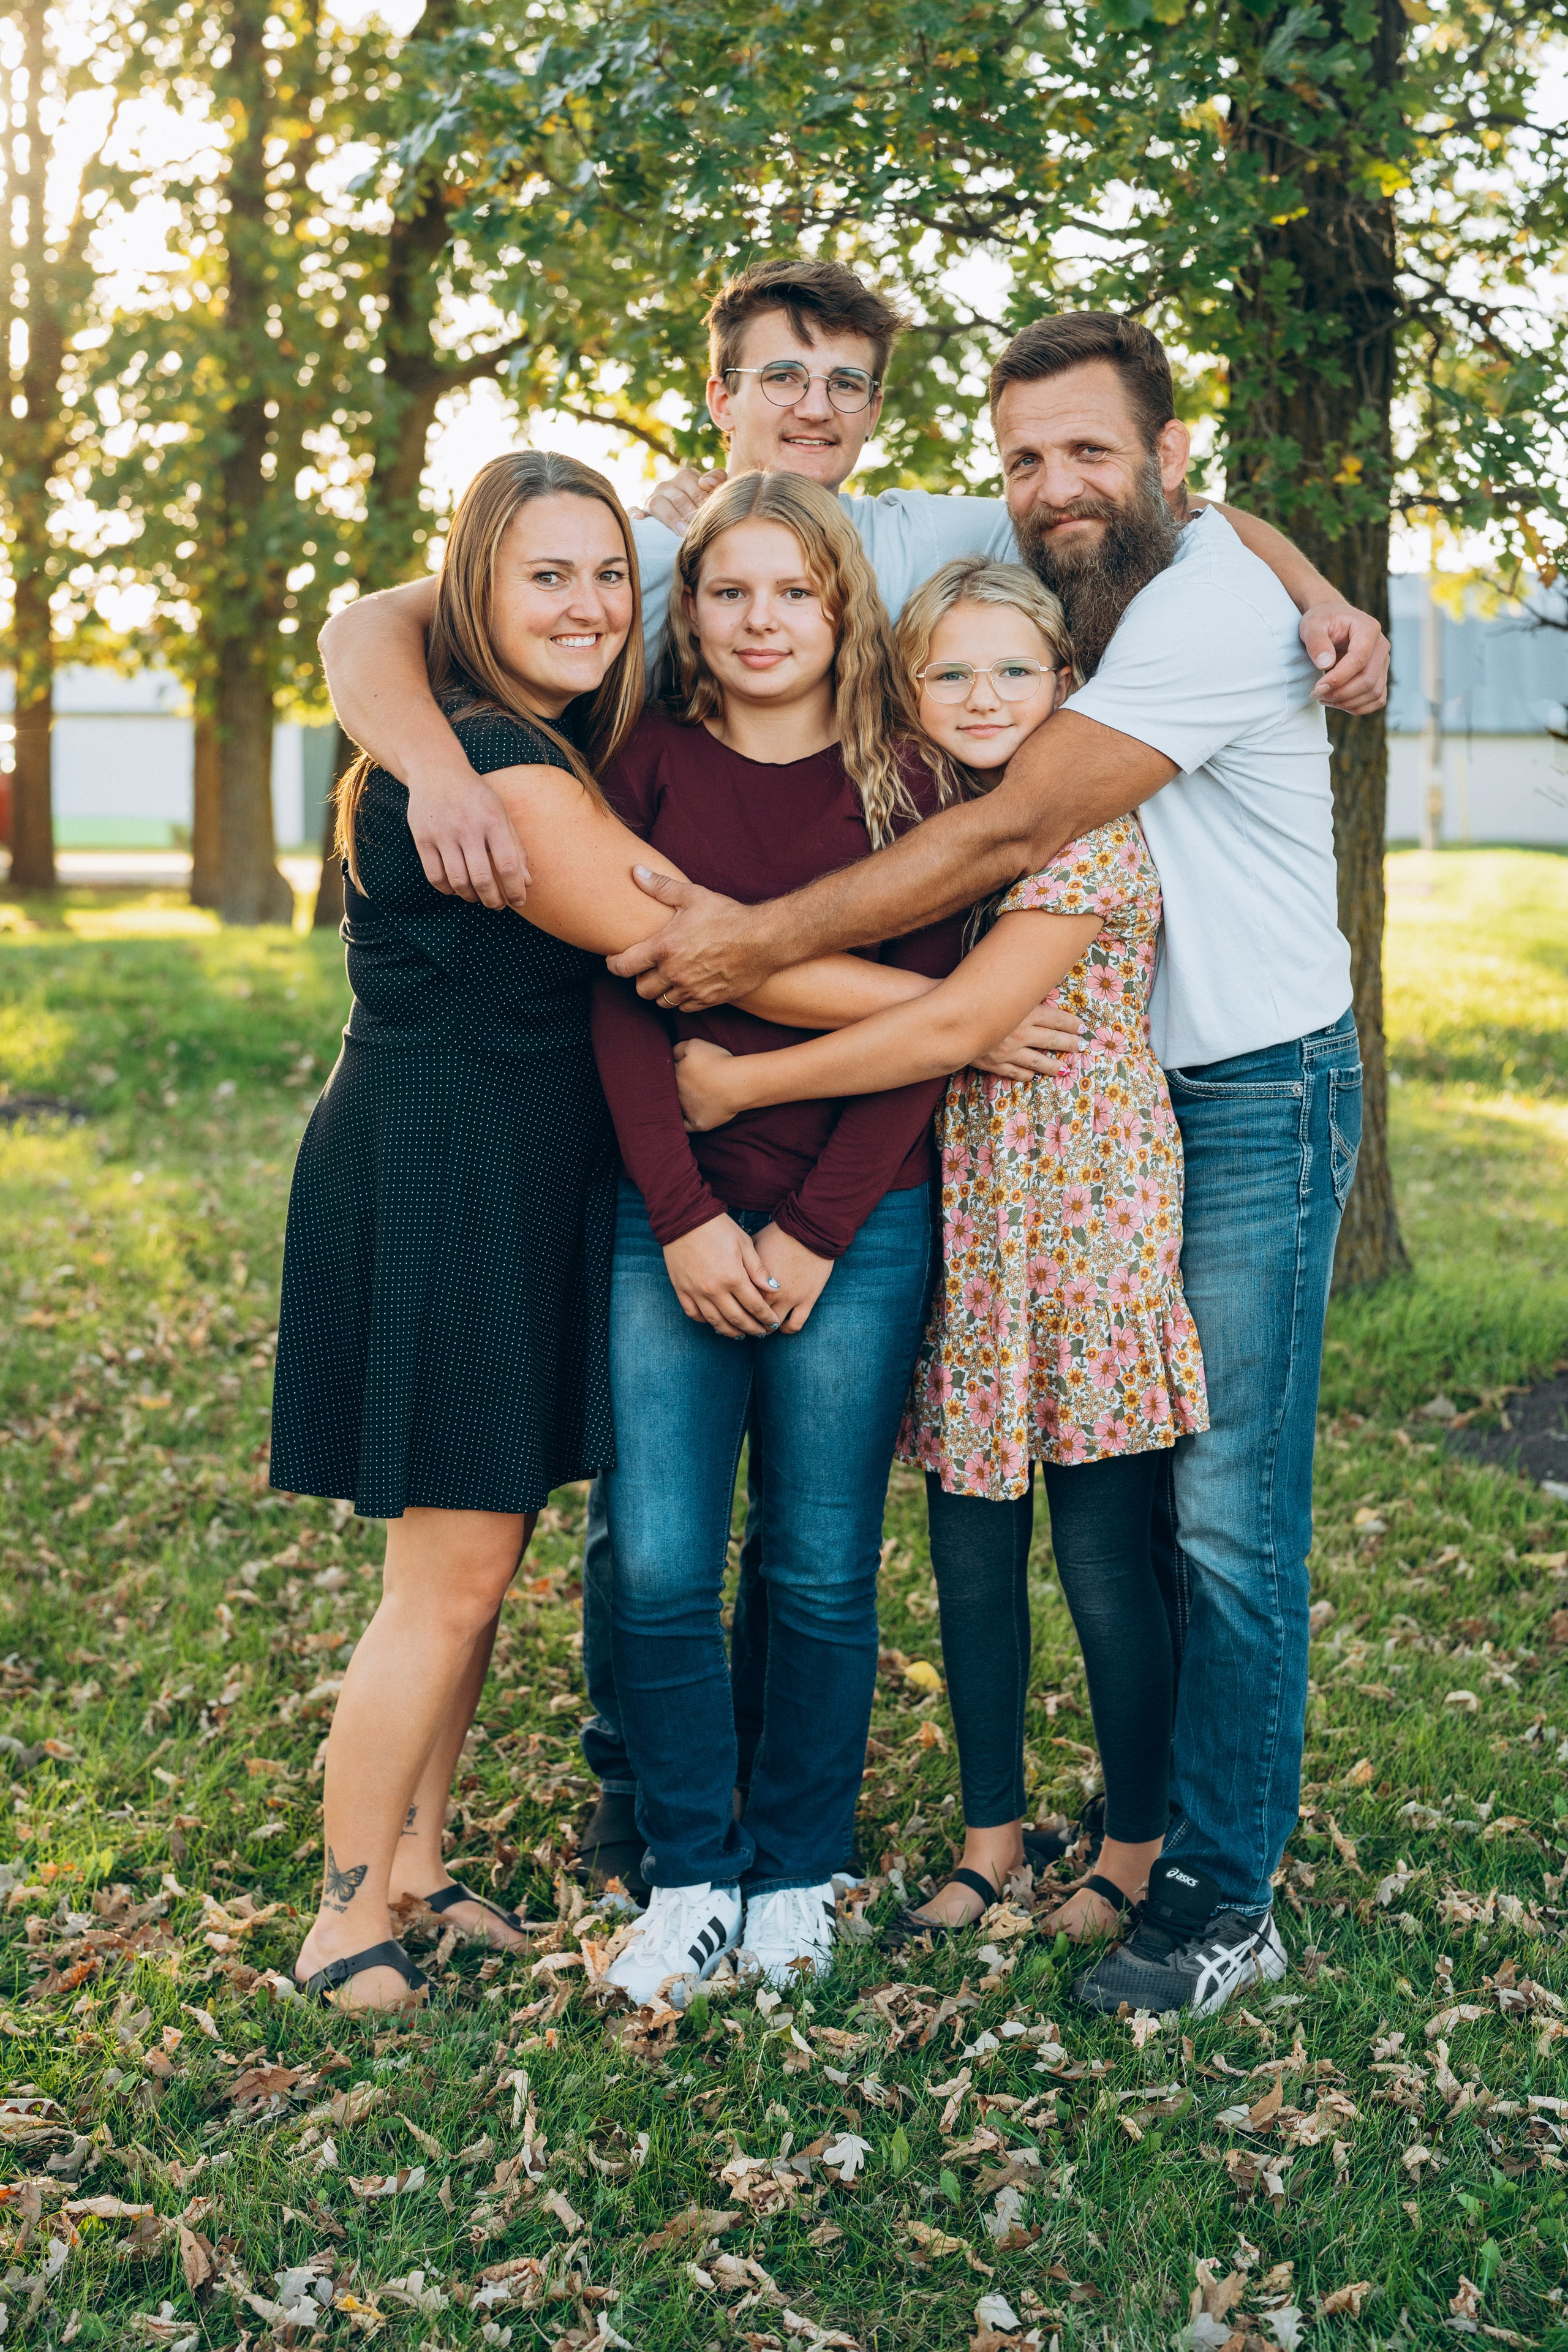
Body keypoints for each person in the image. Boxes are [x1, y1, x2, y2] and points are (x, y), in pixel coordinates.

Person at [316, 257, 1389, 1889]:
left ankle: (1160, 1864)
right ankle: (648, 1796)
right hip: (666, 1103)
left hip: (1012, 1120)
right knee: (648, 1517)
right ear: (721, 394)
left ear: (881, 416)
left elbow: (1193, 519)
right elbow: (377, 616)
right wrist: (435, 758)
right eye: (781, 377)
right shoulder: (647, 548)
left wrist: (1326, 597)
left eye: (847, 384)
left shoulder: (929, 536)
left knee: (991, 1527)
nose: (814, 408)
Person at [611, 311, 1366, 2021]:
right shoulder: (1071, 587)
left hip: (1249, 1088)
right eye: (1024, 459)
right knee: (1127, 1511)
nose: (1052, 487)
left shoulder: (1209, 601)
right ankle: (1101, 1819)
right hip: (1108, 1123)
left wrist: (738, 977)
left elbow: (1009, 839)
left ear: (1173, 457)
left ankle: (1220, 1892)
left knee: (1230, 1517)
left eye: (1092, 451)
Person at [276, 450, 955, 2007]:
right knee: (441, 1578)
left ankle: (420, 1875)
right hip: (446, 1170)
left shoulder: (550, 739)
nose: (588, 605)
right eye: (545, 577)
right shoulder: (498, 758)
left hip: (517, 1170)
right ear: (475, 590)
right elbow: (692, 953)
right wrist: (957, 1012)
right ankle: (339, 1924)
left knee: (481, 1557)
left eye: (603, 575)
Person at [674, 556, 1207, 1945]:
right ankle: (990, 1843)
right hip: (972, 1213)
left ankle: (1134, 1846)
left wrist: (739, 1087)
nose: (982, 698)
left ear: (1066, 690)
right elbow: (869, 987)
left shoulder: (1086, 839)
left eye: (1012, 672)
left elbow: (942, 1028)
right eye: (950, 673)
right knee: (967, 1552)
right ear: (906, 694)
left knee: (1101, 1554)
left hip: (1088, 1218)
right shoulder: (918, 842)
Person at [590, 470, 988, 1999]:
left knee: (820, 1566)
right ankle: (689, 1872)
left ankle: (796, 1871)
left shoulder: (911, 787)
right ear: (688, 612)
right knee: (664, 1566)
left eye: (793, 593)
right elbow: (618, 1012)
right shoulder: (643, 767)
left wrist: (819, 1235)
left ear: (842, 609)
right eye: (728, 592)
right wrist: (683, 1221)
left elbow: (929, 1041)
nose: (763, 622)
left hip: (861, 1227)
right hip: (665, 1222)